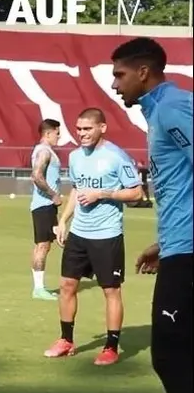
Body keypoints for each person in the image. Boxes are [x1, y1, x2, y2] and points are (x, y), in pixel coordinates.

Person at [112, 37, 193, 393]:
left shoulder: (172, 109)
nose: (114, 82)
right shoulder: (160, 108)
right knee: (181, 354)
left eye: (120, 74)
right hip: (181, 247)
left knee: (171, 354)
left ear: (144, 72)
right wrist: (166, 242)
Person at [47, 107, 143, 366]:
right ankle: (66, 340)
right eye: (78, 129)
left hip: (107, 235)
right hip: (79, 233)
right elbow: (77, 189)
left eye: (87, 129)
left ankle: (111, 346)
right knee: (67, 286)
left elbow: (136, 194)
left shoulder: (116, 156)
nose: (82, 134)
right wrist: (64, 220)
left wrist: (102, 194)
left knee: (110, 291)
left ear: (102, 128)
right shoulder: (76, 156)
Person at [28, 118, 63, 300]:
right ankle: (39, 289)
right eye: (57, 133)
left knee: (41, 246)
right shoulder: (44, 151)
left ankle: (38, 286)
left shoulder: (44, 151)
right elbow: (36, 176)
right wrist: (53, 195)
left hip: (44, 206)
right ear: (48, 133)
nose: (59, 136)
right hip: (44, 205)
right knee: (43, 246)